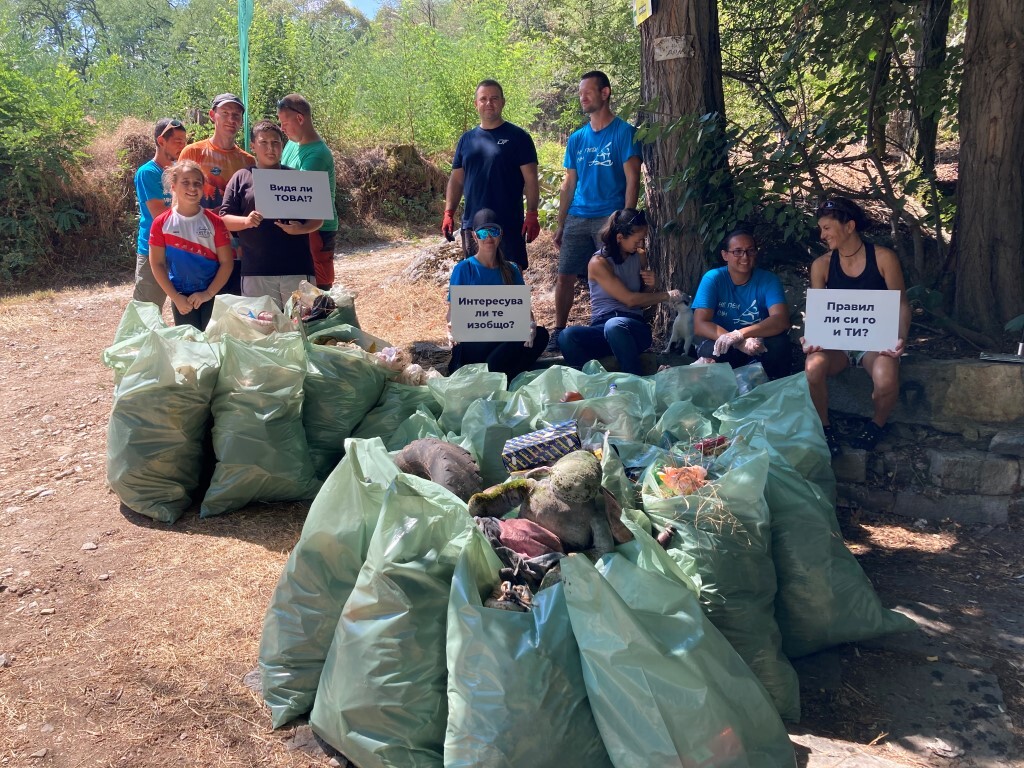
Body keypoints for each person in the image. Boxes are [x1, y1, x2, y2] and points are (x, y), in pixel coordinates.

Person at [801, 197, 911, 456]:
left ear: (849, 226)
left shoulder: (884, 258)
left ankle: (876, 425)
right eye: (821, 228)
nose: (822, 235)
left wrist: (900, 338)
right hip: (836, 344)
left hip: (873, 342)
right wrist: (811, 337)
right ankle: (825, 428)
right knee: (812, 366)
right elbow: (819, 310)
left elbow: (902, 303)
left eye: (827, 228)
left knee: (885, 378)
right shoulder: (821, 265)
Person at [549, 71, 643, 351]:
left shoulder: (624, 132)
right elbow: (569, 183)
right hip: (578, 215)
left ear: (605, 93)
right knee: (565, 275)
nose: (582, 98)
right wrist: (561, 222)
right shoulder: (577, 138)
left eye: (588, 92)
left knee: (611, 275)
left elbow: (632, 179)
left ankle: (612, 329)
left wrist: (626, 220)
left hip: (609, 217)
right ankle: (559, 330)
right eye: (580, 94)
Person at [559, 209, 682, 376]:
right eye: (637, 240)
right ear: (619, 238)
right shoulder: (598, 263)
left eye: (643, 240)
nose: (641, 244)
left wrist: (652, 286)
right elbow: (630, 299)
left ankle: (634, 379)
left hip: (633, 328)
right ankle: (592, 380)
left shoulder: (639, 256)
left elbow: (640, 298)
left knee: (615, 325)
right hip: (602, 328)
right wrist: (666, 295)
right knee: (567, 336)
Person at [219, 121, 322, 310]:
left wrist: (302, 229)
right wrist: (246, 221)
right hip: (256, 270)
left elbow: (318, 218)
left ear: (282, 146)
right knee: (263, 330)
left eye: (275, 142)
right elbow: (224, 220)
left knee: (302, 327)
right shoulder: (242, 177)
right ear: (252, 146)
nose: (270, 148)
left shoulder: (298, 178)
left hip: (297, 268)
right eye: (263, 142)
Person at [441, 80, 540, 271]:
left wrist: (532, 213)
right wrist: (448, 213)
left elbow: (531, 180)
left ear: (503, 102)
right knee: (479, 284)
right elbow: (456, 179)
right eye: (483, 99)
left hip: (508, 224)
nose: (489, 103)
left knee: (509, 281)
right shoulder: (466, 140)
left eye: (494, 98)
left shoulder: (519, 137)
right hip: (473, 225)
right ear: (476, 104)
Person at [447, 208, 549, 380]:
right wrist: (451, 327)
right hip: (476, 343)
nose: (488, 237)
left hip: (505, 340)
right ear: (474, 236)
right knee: (500, 355)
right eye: (482, 232)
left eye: (493, 231)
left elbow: (524, 313)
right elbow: (452, 313)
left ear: (500, 235)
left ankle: (496, 373)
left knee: (541, 335)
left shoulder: (512, 269)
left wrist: (530, 326)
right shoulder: (464, 268)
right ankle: (504, 373)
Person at [178, 93, 256, 295]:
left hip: (235, 251)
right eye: (226, 113)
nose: (231, 119)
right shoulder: (193, 152)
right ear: (213, 115)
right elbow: (178, 199)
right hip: (198, 247)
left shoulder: (248, 161)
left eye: (237, 115)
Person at [690, 229, 793, 380]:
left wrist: (739, 335)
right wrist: (737, 342)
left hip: (756, 343)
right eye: (737, 251)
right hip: (724, 341)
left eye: (750, 251)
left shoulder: (768, 280)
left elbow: (781, 320)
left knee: (779, 344)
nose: (745, 257)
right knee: (709, 351)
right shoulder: (713, 278)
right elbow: (700, 324)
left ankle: (774, 391)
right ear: (725, 255)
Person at [148, 160, 234, 330]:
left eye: (197, 183)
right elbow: (156, 264)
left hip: (213, 294)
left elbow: (227, 263)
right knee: (190, 348)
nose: (192, 188)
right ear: (173, 187)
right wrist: (174, 297)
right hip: (181, 298)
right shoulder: (161, 223)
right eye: (185, 183)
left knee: (213, 346)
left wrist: (208, 294)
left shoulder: (215, 222)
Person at [277, 93, 339, 290]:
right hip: (297, 225)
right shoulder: (291, 145)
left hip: (318, 229)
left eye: (284, 122)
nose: (282, 128)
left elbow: (301, 199)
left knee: (318, 288)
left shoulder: (317, 155)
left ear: (300, 118)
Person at [132, 118, 187, 309]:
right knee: (147, 310)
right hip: (152, 250)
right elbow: (159, 215)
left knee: (184, 306)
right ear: (161, 141)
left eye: (184, 141)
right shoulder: (148, 172)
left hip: (178, 248)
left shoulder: (180, 173)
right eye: (177, 141)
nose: (182, 146)